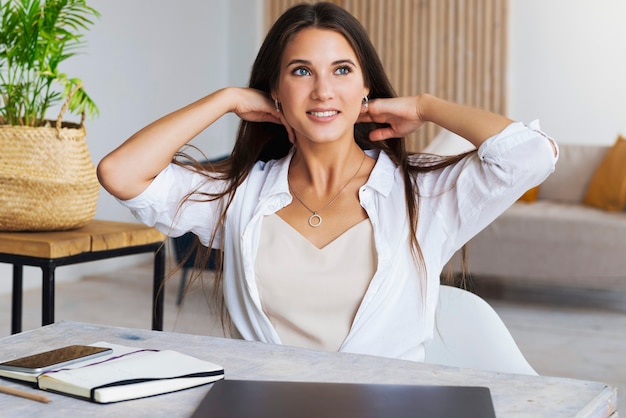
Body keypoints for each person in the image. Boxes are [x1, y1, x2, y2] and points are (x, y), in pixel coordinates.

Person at [97, 2, 557, 362]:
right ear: (274, 90)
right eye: (301, 71)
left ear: (365, 88)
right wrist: (227, 99)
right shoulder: (239, 196)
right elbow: (120, 173)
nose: (323, 91)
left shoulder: (421, 195)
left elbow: (531, 155)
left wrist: (423, 105)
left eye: (342, 70)